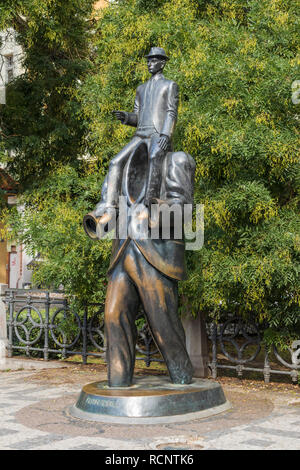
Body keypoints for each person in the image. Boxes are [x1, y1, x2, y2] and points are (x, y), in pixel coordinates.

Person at [99, 47, 179, 226]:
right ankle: (110, 209)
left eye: (153, 60)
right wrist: (127, 117)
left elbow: (171, 113)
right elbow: (137, 116)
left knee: (154, 157)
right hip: (140, 134)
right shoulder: (141, 89)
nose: (149, 64)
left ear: (162, 63)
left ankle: (150, 207)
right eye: (148, 61)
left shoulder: (170, 85)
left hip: (157, 133)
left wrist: (166, 134)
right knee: (115, 162)